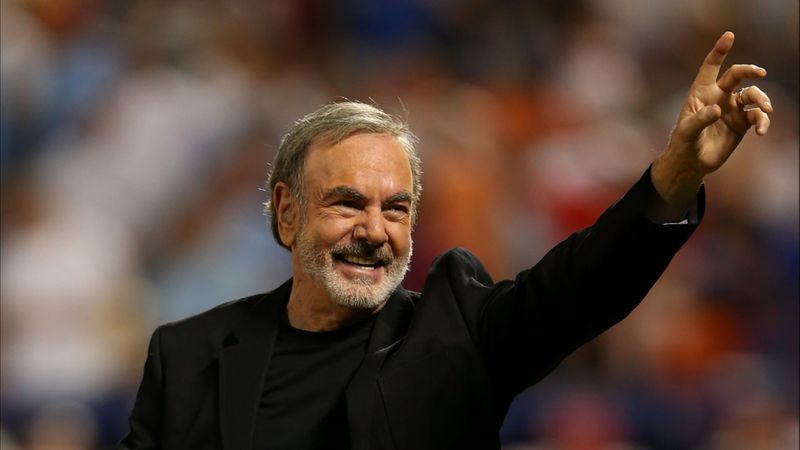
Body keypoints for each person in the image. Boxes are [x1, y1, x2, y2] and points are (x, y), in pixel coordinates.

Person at [119, 32, 772, 450]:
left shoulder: (456, 326)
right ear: (287, 213)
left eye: (396, 208)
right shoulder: (188, 357)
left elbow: (580, 287)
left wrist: (675, 177)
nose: (374, 230)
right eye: (348, 202)